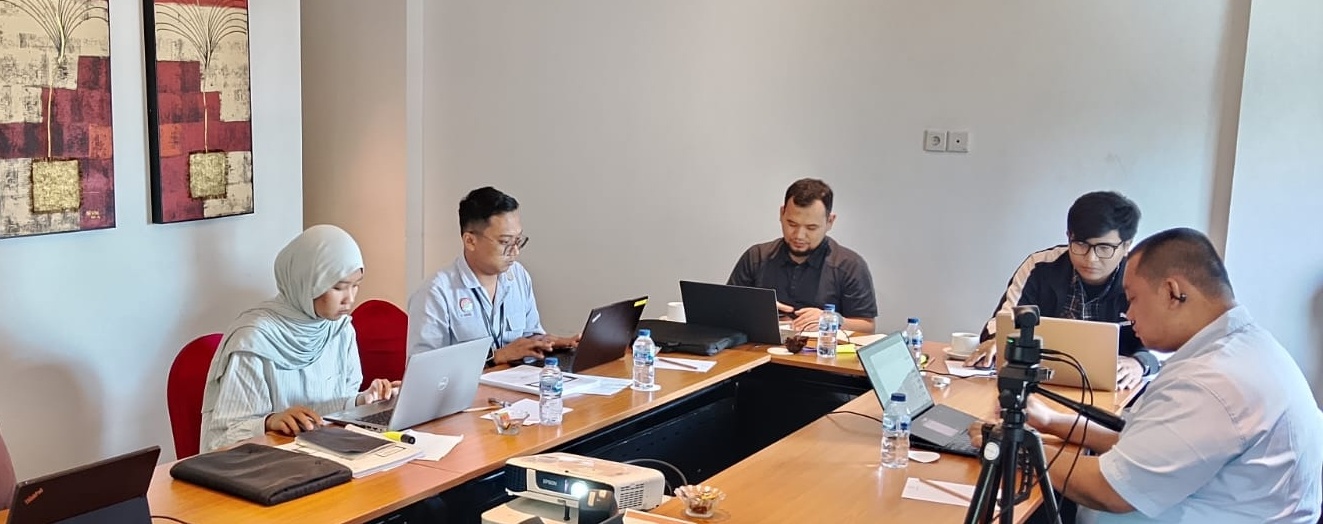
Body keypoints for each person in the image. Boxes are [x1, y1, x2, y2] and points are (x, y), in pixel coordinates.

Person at [975, 228, 1323, 523]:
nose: (1128, 313)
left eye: (1132, 298)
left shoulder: (1212, 380)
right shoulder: (1240, 346)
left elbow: (1110, 490)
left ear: (1173, 292)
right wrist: (1051, 421)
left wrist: (1011, 447)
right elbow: (1141, 445)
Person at [199, 225, 397, 453]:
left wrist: (364, 400)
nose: (349, 299)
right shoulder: (254, 339)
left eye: (356, 286)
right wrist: (270, 421)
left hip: (325, 454)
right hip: (268, 462)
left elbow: (332, 408)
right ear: (307, 282)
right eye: (338, 287)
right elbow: (224, 437)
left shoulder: (340, 330)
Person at [965, 191, 1160, 389]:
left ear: (1126, 245)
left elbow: (1166, 340)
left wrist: (1140, 363)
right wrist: (996, 340)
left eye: (1104, 248)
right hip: (1041, 384)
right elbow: (1001, 323)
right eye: (1081, 244)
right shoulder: (1040, 266)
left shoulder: (1142, 277)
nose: (1090, 258)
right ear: (1069, 236)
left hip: (1115, 391)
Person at [407, 187, 577, 367]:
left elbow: (529, 335)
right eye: (505, 242)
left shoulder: (518, 276)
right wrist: (495, 357)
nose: (515, 251)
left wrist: (548, 343)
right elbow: (422, 369)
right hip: (470, 386)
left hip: (519, 381)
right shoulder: (436, 293)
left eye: (518, 240)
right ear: (470, 241)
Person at [727, 178, 878, 333]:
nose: (799, 235)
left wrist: (831, 319)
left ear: (830, 222)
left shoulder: (849, 265)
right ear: (781, 214)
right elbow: (725, 310)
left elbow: (867, 326)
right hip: (762, 347)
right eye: (792, 224)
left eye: (811, 228)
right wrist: (755, 310)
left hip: (821, 347)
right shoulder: (756, 257)